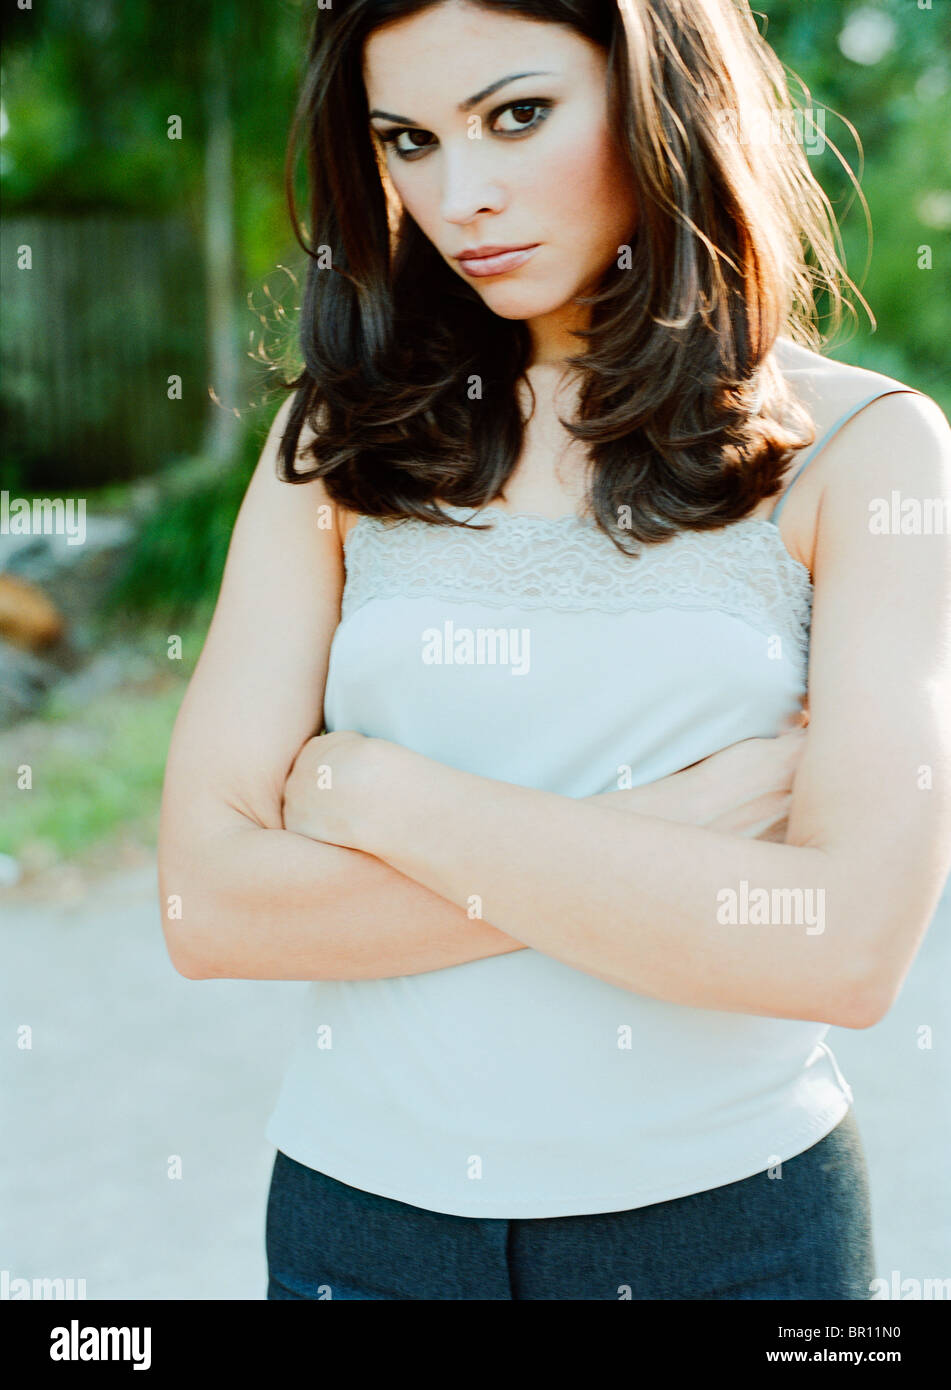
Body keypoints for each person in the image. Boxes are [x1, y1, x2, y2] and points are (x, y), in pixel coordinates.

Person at [157, 0, 951, 1300]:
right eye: (407, 138)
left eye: (517, 115)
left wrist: (373, 793)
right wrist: (674, 827)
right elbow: (207, 902)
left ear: (663, 97)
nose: (458, 194)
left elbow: (845, 945)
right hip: (361, 1234)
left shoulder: (866, 453)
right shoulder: (339, 440)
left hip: (733, 1235)